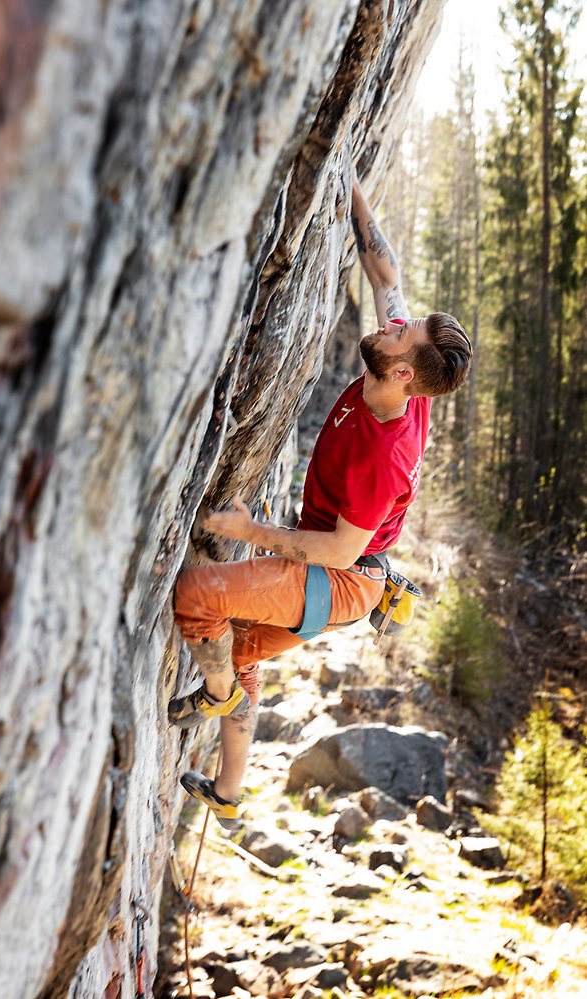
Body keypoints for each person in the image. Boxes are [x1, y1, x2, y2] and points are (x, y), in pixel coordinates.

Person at [169, 171, 472, 828]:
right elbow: (386, 273)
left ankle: (217, 695)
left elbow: (338, 548)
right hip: (341, 572)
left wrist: (252, 530)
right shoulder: (399, 365)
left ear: (402, 372)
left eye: (402, 333)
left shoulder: (382, 452)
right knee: (242, 644)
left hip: (339, 579)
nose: (394, 323)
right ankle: (227, 791)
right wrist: (353, 184)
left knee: (197, 596)